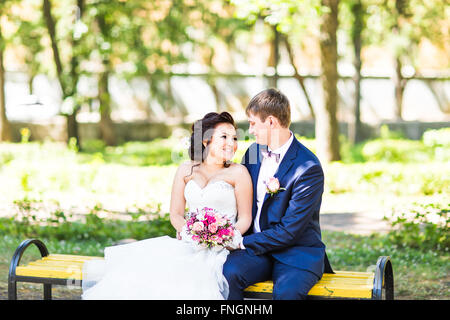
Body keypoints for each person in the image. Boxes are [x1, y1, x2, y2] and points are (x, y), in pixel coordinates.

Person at [81, 112, 253, 300]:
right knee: (144, 278)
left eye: (235, 138)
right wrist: (191, 233)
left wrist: (223, 237)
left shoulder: (239, 172)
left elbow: (245, 217)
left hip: (223, 250)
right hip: (190, 244)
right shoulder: (185, 170)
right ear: (205, 141)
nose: (232, 143)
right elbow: (176, 214)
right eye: (224, 137)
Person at [223, 88, 333, 300]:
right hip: (256, 251)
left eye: (253, 123)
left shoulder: (307, 167)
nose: (251, 130)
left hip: (296, 253)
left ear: (271, 122)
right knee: (228, 274)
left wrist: (240, 242)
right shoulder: (253, 152)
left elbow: (290, 231)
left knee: (286, 293)